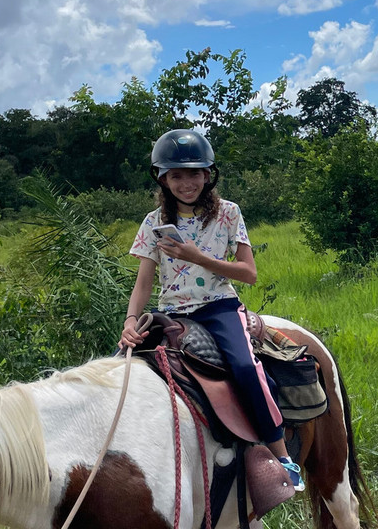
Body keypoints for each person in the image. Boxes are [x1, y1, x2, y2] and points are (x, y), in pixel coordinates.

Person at [118, 129, 304, 492]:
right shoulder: (153, 222)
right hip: (172, 311)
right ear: (163, 178)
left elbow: (248, 273)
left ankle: (282, 455)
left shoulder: (228, 214)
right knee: (119, 367)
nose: (186, 183)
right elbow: (143, 282)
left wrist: (198, 258)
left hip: (218, 307)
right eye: (176, 175)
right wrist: (129, 321)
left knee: (245, 368)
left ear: (208, 175)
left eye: (194, 173)